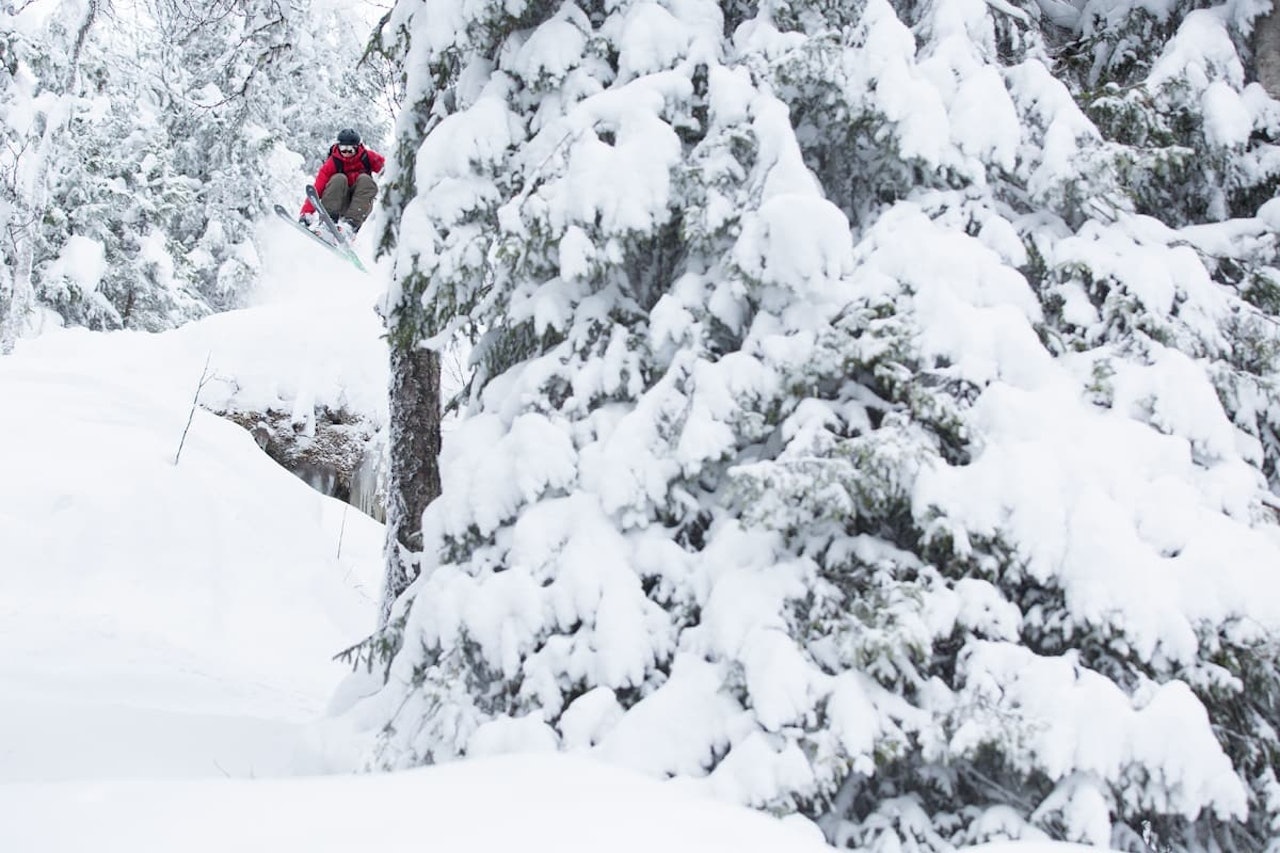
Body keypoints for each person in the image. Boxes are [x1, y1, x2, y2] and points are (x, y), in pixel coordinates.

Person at [299, 128, 386, 236]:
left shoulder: (367, 157)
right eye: (343, 148)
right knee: (339, 178)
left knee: (365, 180)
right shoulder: (333, 162)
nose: (346, 152)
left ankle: (350, 226)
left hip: (360, 205)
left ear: (357, 148)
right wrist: (306, 213)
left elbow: (388, 168)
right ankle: (328, 222)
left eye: (350, 149)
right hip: (338, 202)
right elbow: (318, 188)